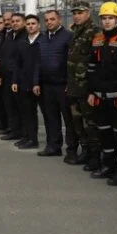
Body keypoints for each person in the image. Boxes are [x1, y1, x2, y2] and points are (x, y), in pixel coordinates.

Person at [87, 1, 117, 185]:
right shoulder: (97, 40)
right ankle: (109, 166)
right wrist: (91, 92)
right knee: (104, 135)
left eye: (110, 18)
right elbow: (91, 68)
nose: (107, 22)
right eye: (104, 18)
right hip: (100, 98)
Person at [67, 1, 101, 168]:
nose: (76, 15)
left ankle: (95, 157)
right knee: (77, 122)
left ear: (88, 13)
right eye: (74, 13)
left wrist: (92, 89)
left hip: (86, 87)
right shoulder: (76, 31)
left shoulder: (94, 32)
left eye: (80, 12)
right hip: (74, 86)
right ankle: (86, 151)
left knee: (90, 124)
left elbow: (95, 61)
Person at [37, 10, 74, 158]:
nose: (49, 22)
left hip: (63, 85)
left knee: (69, 120)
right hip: (47, 85)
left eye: (52, 19)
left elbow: (72, 62)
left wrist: (70, 82)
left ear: (59, 20)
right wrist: (37, 82)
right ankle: (53, 146)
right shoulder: (44, 38)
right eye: (46, 20)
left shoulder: (68, 36)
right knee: (50, 118)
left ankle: (71, 149)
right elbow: (38, 62)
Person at [12, 14, 41, 149]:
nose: (30, 26)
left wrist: (37, 82)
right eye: (28, 24)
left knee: (46, 115)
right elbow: (17, 63)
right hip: (24, 83)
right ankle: (29, 138)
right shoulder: (22, 42)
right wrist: (15, 81)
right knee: (27, 112)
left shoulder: (43, 40)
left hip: (40, 84)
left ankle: (49, 142)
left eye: (33, 23)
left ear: (39, 25)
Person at [0, 13, 27, 141]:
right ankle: (13, 129)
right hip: (7, 76)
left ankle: (22, 133)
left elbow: (21, 60)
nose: (13, 23)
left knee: (19, 107)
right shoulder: (9, 35)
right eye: (11, 21)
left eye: (16, 21)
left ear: (24, 22)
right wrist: (0, 73)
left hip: (18, 77)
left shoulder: (25, 37)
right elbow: (3, 55)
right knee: (9, 105)